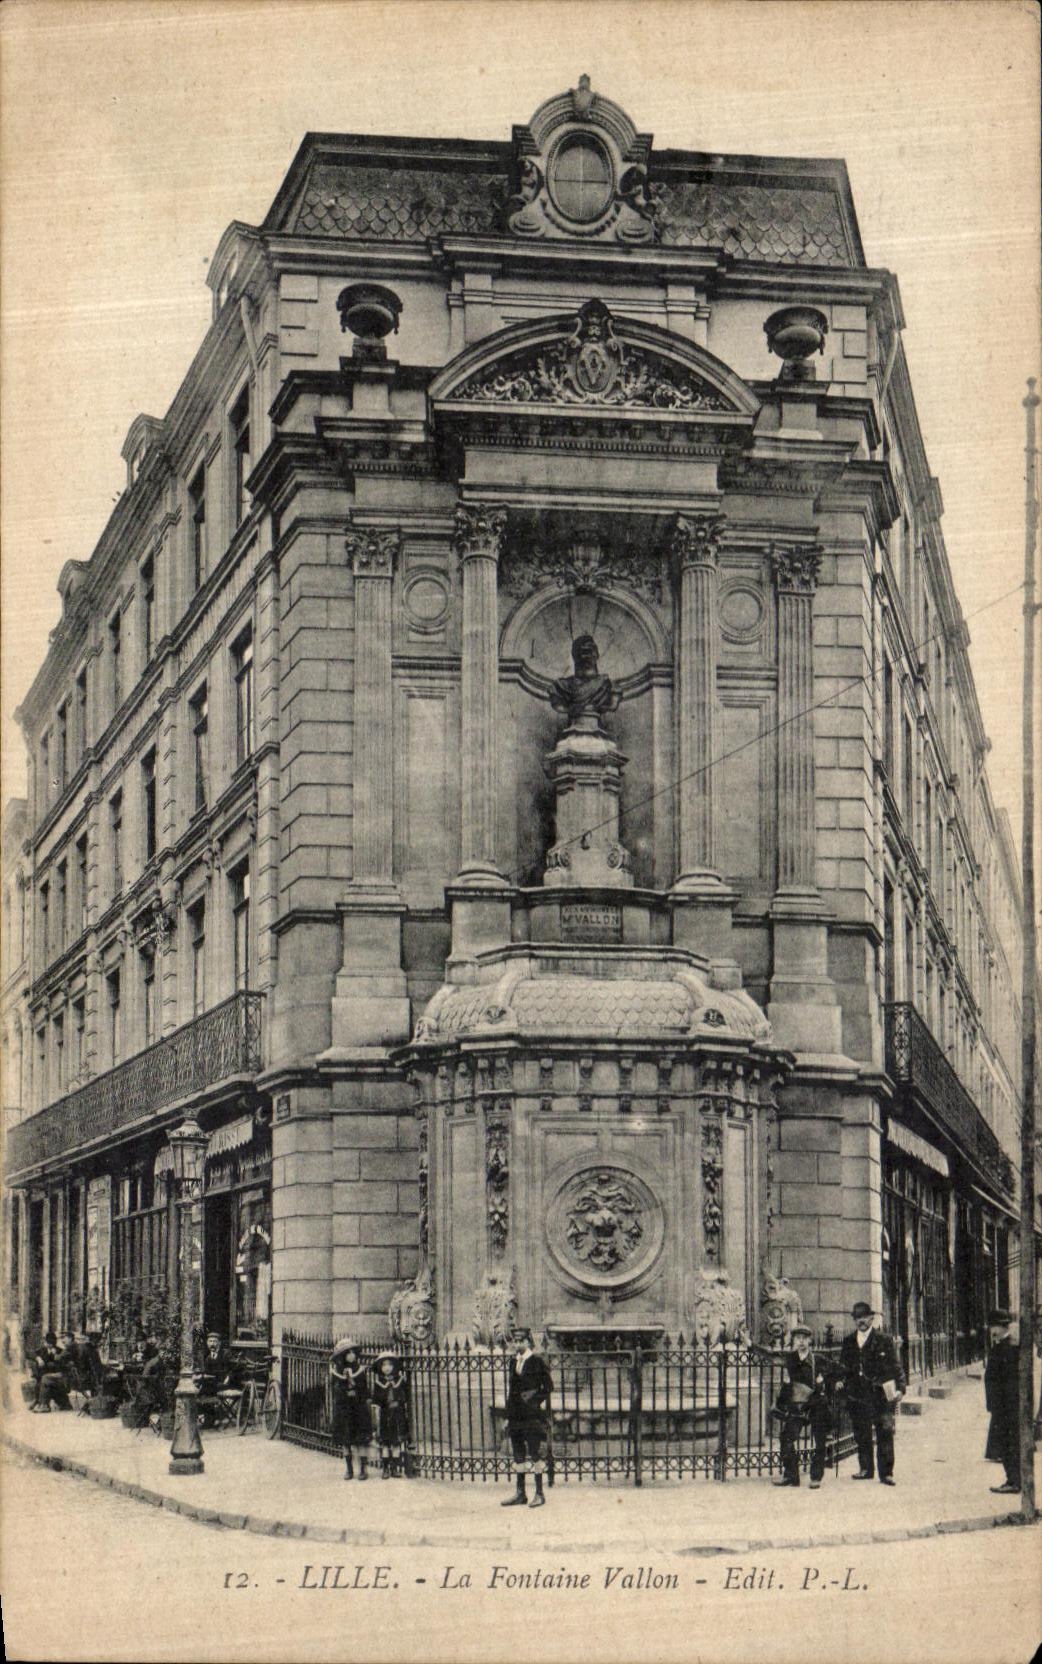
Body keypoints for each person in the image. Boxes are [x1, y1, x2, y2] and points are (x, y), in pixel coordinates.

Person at [837, 1301, 905, 1484]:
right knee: (862, 1433)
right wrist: (840, 1382)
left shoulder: (884, 1340)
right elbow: (843, 1368)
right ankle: (866, 1469)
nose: (861, 1321)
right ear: (854, 1320)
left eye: (864, 1317)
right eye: (857, 1318)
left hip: (880, 1396)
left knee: (884, 1431)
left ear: (871, 1318)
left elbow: (896, 1367)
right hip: (858, 1396)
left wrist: (900, 1388)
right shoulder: (849, 1342)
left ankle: (886, 1473)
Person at [772, 1322, 836, 1489]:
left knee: (819, 1441)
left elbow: (837, 1371)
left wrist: (827, 1383)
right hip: (797, 1407)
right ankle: (791, 1475)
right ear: (793, 1341)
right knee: (786, 1438)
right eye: (797, 1338)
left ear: (809, 1341)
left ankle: (816, 1477)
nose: (800, 1341)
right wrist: (750, 1346)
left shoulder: (818, 1360)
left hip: (816, 1405)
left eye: (804, 1338)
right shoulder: (790, 1359)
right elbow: (770, 1355)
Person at [501, 1325, 553, 1509]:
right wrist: (508, 1416)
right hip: (516, 1417)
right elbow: (511, 1392)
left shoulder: (537, 1361)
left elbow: (547, 1387)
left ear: (528, 1342)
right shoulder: (512, 1362)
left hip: (531, 1416)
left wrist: (532, 1400)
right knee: (518, 1455)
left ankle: (539, 1493)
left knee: (535, 1453)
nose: (517, 1344)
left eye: (520, 1341)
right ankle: (520, 1493)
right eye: (515, 1341)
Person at [983, 1308, 1020, 1495]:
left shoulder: (1009, 1347)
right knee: (1005, 1444)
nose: (991, 1331)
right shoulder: (1002, 1346)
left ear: (1001, 1327)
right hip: (1001, 1406)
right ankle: (1013, 1479)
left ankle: (1014, 1481)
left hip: (1006, 1406)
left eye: (993, 1327)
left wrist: (1001, 1405)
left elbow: (1010, 1381)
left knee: (1008, 1444)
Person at [549, 636, 620, 730]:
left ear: (597, 654)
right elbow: (558, 705)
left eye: (591, 651)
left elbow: (612, 705)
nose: (588, 656)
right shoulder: (560, 687)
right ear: (575, 656)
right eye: (584, 652)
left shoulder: (609, 686)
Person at [330, 1339, 371, 1481]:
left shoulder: (360, 1370)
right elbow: (334, 1391)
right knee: (346, 1440)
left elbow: (365, 1390)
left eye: (353, 1353)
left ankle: (363, 1469)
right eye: (349, 1353)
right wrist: (344, 1392)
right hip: (344, 1410)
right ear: (343, 1356)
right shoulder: (336, 1372)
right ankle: (349, 1469)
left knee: (361, 1440)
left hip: (358, 1409)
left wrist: (358, 1393)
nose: (352, 1355)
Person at [371, 1351, 410, 1478]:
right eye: (383, 1365)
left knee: (396, 1442)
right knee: (385, 1442)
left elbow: (405, 1396)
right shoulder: (378, 1383)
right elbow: (376, 1401)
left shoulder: (400, 1380)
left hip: (398, 1414)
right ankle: (385, 1468)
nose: (387, 1368)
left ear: (394, 1366)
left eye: (389, 1365)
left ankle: (395, 1468)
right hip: (385, 1414)